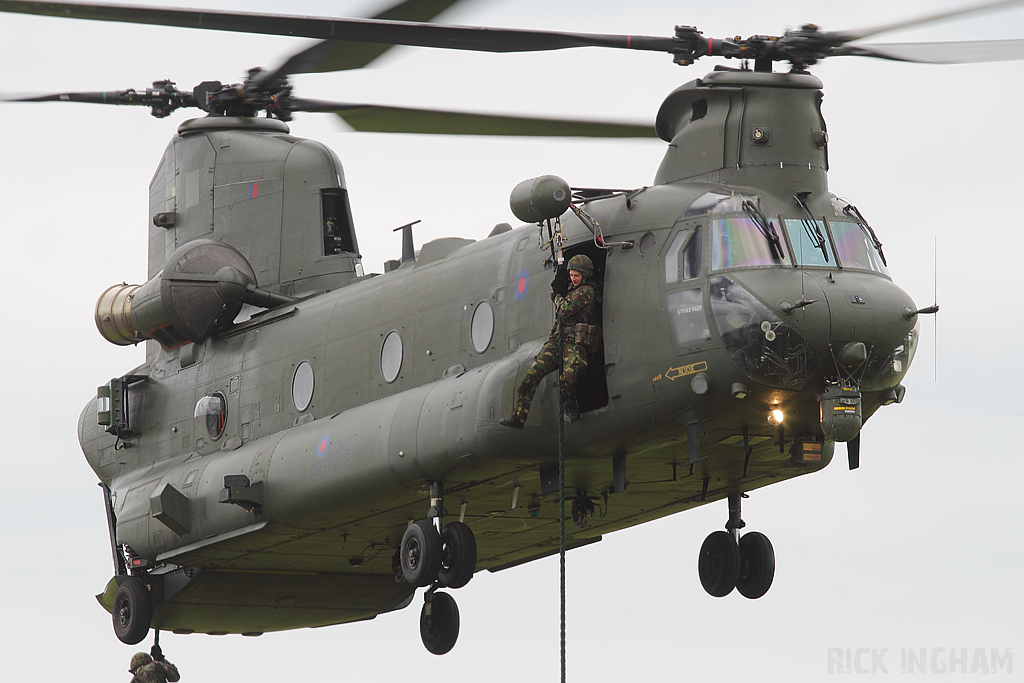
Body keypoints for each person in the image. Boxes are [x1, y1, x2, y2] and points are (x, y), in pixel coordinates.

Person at [500, 254, 598, 429]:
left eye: (576, 276)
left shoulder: (587, 292)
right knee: (532, 374)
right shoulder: (570, 288)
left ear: (585, 275)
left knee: (567, 378)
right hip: (557, 340)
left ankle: (570, 404)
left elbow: (565, 310)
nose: (573, 279)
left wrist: (556, 295)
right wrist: (559, 288)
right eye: (571, 275)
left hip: (574, 342)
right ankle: (519, 416)